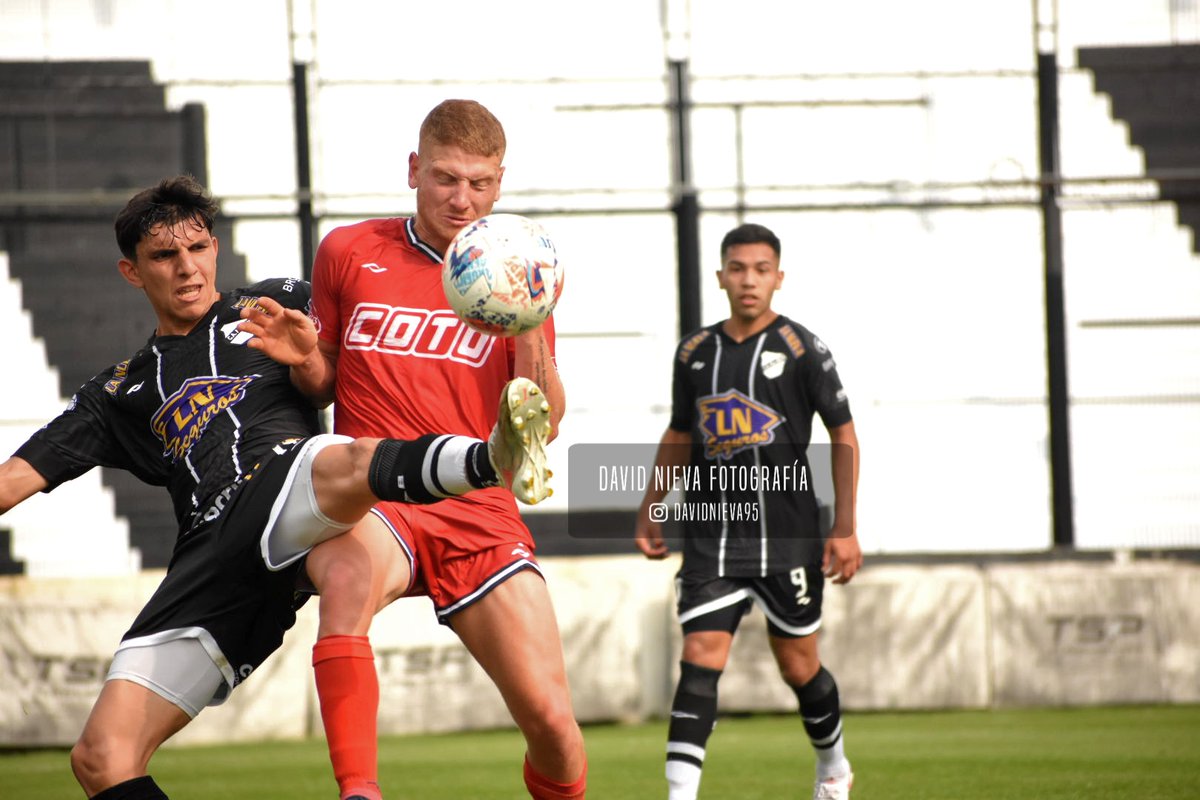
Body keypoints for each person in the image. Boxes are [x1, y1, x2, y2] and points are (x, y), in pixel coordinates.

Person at [0, 174, 551, 800]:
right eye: (164, 255)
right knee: (102, 757)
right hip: (214, 558)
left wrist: (312, 359)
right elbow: (14, 479)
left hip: (286, 482)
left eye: (198, 248)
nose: (187, 267)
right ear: (132, 271)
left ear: (215, 248)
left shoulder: (275, 304)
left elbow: (362, 361)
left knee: (343, 462)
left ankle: (491, 458)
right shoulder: (116, 392)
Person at [274, 99, 586, 800]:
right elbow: (322, 382)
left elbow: (544, 422)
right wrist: (304, 359)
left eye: (479, 183)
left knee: (554, 726)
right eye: (446, 178)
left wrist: (528, 323)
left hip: (478, 506)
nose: (461, 198)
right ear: (415, 169)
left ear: (500, 184)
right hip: (379, 492)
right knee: (344, 590)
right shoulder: (348, 251)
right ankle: (360, 791)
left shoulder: (522, 267)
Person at [634, 222, 862, 800]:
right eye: (738, 269)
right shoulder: (694, 353)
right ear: (721, 277)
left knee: (799, 667)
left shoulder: (803, 348)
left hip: (788, 537)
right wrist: (652, 505)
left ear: (779, 278)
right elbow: (680, 434)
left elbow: (843, 434)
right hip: (712, 539)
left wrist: (845, 527)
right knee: (699, 658)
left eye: (761, 270)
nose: (749, 280)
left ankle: (833, 768)